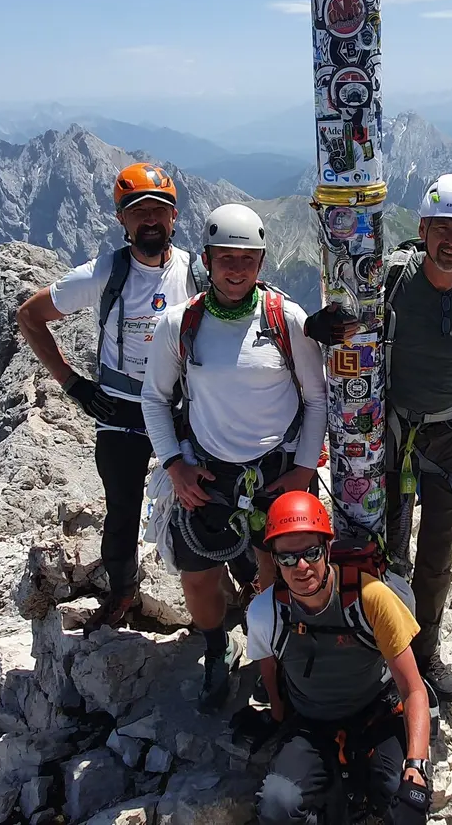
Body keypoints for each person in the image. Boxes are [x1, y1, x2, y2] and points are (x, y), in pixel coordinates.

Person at [303, 172, 452, 704]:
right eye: (442, 228)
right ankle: (384, 647)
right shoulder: (393, 280)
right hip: (392, 435)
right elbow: (346, 319)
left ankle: (424, 653)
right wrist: (316, 328)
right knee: (386, 547)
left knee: (437, 555)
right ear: (422, 229)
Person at [142, 203, 326, 712]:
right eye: (226, 258)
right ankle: (217, 647)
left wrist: (303, 470)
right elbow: (154, 398)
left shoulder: (287, 319)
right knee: (198, 575)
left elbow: (316, 398)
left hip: (277, 469)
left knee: (278, 571)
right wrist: (174, 466)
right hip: (206, 471)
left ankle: (277, 654)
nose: (237, 269)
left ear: (262, 262)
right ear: (206, 260)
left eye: (247, 259)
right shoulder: (180, 323)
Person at [15, 162, 199, 631]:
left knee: (205, 496)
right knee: (122, 509)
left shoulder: (195, 272)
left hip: (179, 407)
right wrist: (72, 383)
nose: (150, 220)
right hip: (120, 410)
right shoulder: (104, 273)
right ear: (122, 219)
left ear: (174, 216)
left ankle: (230, 586)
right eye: (139, 212)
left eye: (159, 210)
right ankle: (122, 593)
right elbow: (29, 316)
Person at [250, 492, 434, 825]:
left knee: (400, 797)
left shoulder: (371, 598)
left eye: (311, 553)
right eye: (288, 558)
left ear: (328, 548)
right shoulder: (266, 613)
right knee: (277, 806)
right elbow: (268, 666)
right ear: (275, 560)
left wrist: (416, 767)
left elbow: (413, 689)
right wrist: (278, 716)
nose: (301, 566)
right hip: (310, 722)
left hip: (375, 714)